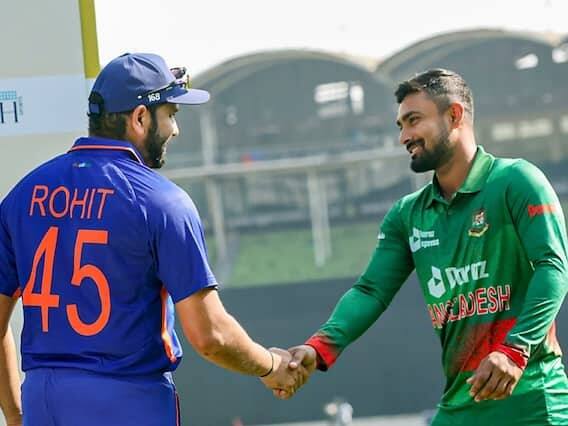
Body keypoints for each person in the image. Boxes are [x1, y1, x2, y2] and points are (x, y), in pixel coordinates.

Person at [0, 52, 303, 426]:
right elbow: (210, 336)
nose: (175, 129)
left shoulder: (22, 195)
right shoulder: (161, 200)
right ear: (140, 117)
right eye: (171, 114)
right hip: (126, 402)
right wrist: (271, 365)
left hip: (43, 400)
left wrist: (16, 414)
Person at [274, 69, 568, 425]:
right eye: (400, 125)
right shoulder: (407, 214)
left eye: (414, 120)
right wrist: (317, 347)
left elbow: (553, 267)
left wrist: (515, 350)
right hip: (460, 407)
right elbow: (370, 291)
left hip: (533, 402)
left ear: (454, 115)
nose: (404, 137)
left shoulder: (516, 181)